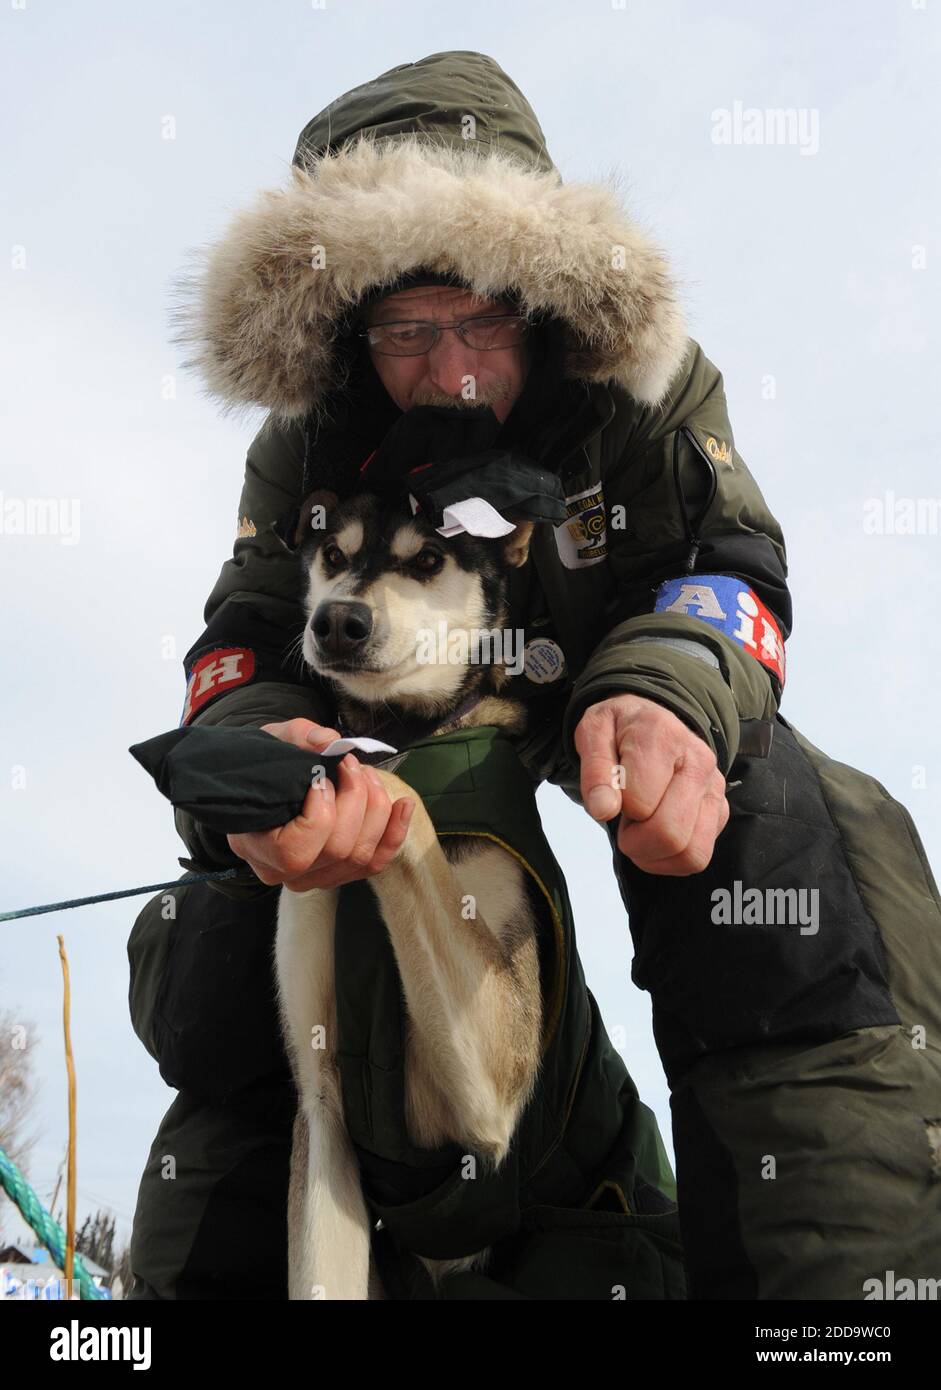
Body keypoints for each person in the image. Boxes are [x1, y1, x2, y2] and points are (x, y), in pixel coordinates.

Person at [126, 50, 941, 1300]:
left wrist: (666, 700)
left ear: (539, 295)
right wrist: (256, 761)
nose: (448, 369)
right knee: (223, 917)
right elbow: (239, 642)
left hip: (598, 669)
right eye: (404, 331)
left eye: (480, 319)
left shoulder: (644, 390)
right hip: (382, 712)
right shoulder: (306, 444)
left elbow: (728, 565)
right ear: (349, 334)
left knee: (793, 837)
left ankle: (836, 1308)